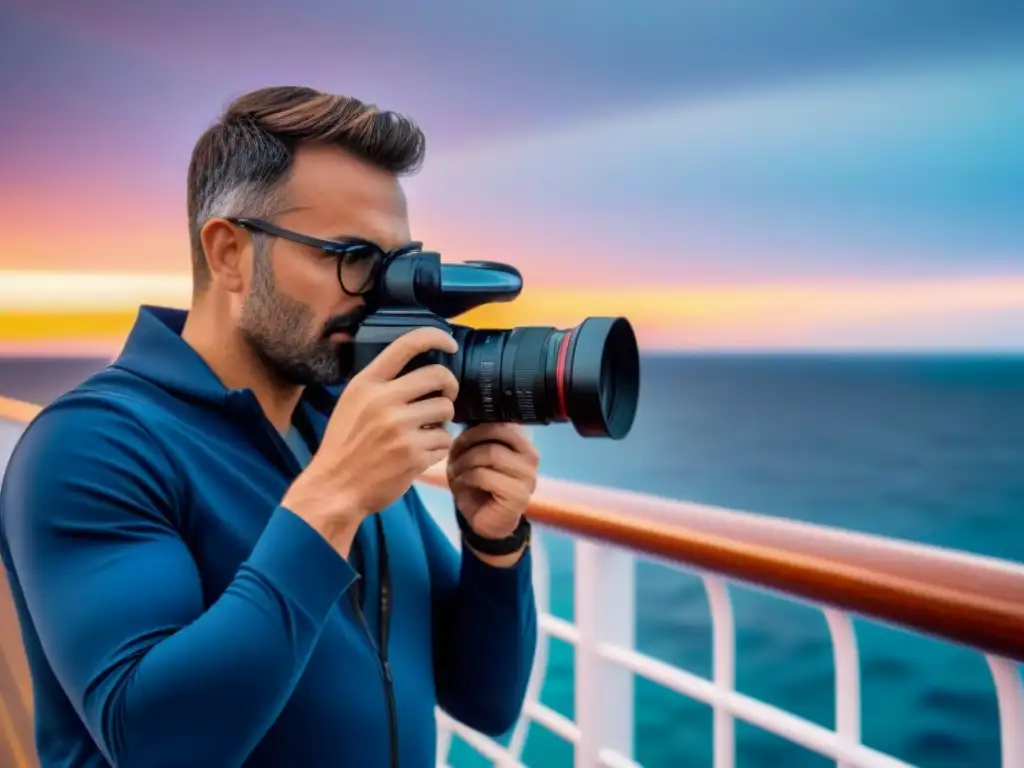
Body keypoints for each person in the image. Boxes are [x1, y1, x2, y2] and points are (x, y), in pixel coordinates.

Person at [0, 86, 539, 767]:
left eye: (397, 265)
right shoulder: (92, 447)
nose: (382, 295)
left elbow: (485, 701)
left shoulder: (338, 425)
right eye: (353, 259)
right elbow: (156, 745)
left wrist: (493, 548)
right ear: (229, 253)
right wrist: (332, 500)